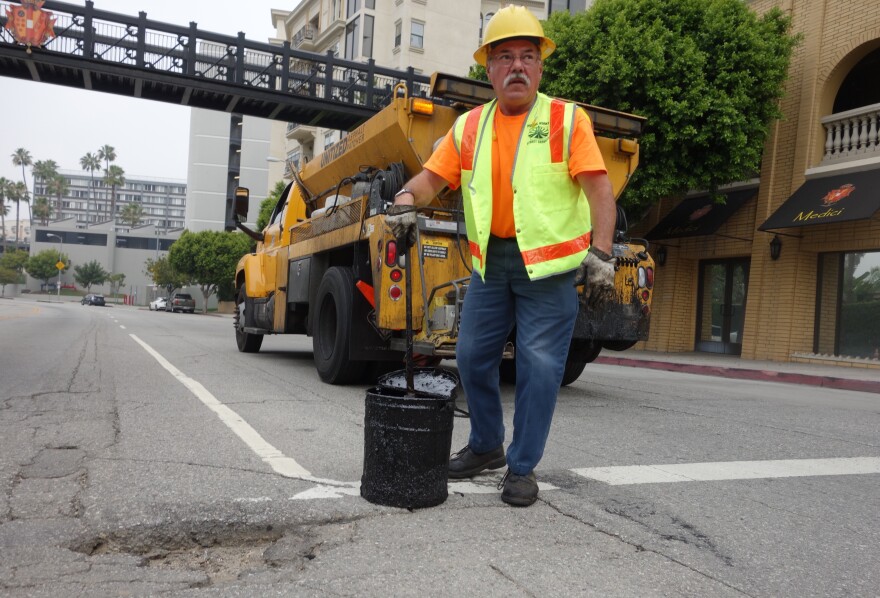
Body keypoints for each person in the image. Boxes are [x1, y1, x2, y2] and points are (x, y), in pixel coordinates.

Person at [385, 5, 617, 507]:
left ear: (540, 66)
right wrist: (404, 201)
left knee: (538, 367)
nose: (517, 66)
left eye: (527, 57)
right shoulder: (470, 127)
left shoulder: (565, 119)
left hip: (550, 273)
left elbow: (600, 190)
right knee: (469, 357)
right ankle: (487, 444)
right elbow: (430, 179)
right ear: (488, 69)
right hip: (491, 267)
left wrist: (601, 253)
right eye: (505, 56)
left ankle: (523, 466)